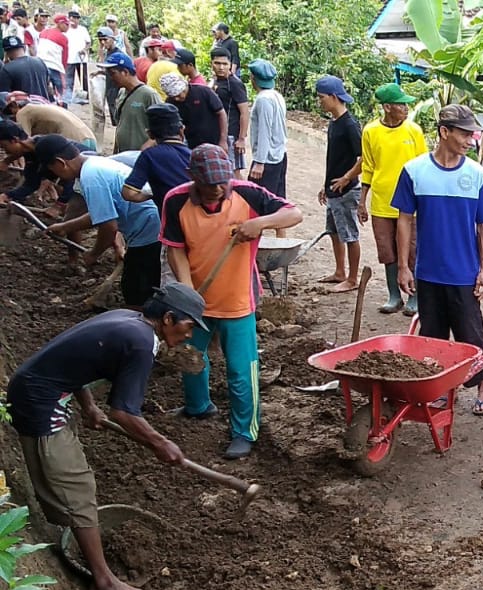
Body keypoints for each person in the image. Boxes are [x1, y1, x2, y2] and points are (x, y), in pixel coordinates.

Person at [6, 283, 204, 590]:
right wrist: (160, 443)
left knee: (71, 478)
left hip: (37, 389)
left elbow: (76, 360)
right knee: (78, 486)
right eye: (189, 326)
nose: (189, 336)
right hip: (38, 401)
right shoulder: (142, 344)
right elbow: (124, 412)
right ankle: (104, 581)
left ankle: (80, 539)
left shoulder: (128, 319)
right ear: (169, 318)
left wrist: (87, 406)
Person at [162, 143, 302, 459]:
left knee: (241, 369)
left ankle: (244, 431)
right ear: (192, 177)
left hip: (238, 299)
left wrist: (259, 224)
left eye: (221, 182)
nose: (216, 189)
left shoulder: (246, 193)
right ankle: (197, 407)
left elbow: (295, 213)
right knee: (191, 357)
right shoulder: (176, 201)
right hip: (197, 299)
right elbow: (176, 249)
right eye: (209, 184)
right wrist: (187, 293)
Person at [392, 104, 483, 415]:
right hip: (427, 273)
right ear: (444, 132)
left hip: (464, 274)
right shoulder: (415, 171)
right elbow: (403, 220)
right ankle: (438, 387)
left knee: (471, 335)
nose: (470, 139)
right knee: (432, 337)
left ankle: (482, 385)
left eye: (472, 133)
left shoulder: (476, 175)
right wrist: (402, 267)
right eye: (465, 133)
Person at [34, 135, 162, 307]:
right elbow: (102, 213)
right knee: (138, 285)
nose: (56, 176)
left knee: (137, 293)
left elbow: (109, 226)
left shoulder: (91, 177)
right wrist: (66, 226)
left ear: (60, 163)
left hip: (149, 231)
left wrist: (94, 254)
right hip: (151, 225)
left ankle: (146, 328)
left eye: (52, 170)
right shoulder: (94, 164)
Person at [360, 82, 425, 315]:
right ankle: (394, 295)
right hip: (382, 201)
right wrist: (362, 200)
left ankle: (414, 296)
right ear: (387, 107)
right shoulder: (370, 131)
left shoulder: (413, 131)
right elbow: (368, 167)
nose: (406, 108)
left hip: (410, 203)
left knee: (412, 250)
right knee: (387, 250)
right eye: (401, 105)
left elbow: (424, 165)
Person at [315, 75, 362, 293]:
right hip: (333, 190)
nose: (319, 102)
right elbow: (333, 158)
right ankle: (340, 271)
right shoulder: (334, 123)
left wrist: (346, 177)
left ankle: (353, 278)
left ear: (334, 97)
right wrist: (325, 184)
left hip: (346, 190)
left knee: (349, 234)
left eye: (321, 97)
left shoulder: (350, 125)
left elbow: (363, 158)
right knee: (334, 231)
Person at [122, 103, 191, 211]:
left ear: (149, 134)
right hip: (199, 219)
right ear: (181, 130)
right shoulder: (195, 155)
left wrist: (153, 194)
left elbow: (129, 193)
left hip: (170, 221)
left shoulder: (149, 156)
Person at [246, 59, 286, 208]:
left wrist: (259, 162)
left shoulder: (263, 100)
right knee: (278, 201)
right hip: (279, 155)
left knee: (255, 203)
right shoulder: (277, 96)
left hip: (268, 159)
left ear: (253, 78)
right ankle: (281, 232)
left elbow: (264, 130)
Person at [102, 51, 161, 153]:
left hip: (140, 156)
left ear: (125, 72)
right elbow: (121, 124)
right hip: (123, 154)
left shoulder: (149, 95)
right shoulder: (122, 92)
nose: (111, 78)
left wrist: (146, 148)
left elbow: (163, 129)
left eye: (113, 73)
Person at [159, 73, 225, 150]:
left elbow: (221, 113)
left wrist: (223, 140)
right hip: (191, 143)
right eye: (173, 97)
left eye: (178, 95)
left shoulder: (203, 91)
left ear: (184, 88)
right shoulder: (170, 102)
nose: (176, 99)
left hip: (214, 140)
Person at [210, 47, 247, 179]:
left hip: (231, 136)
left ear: (230, 65)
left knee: (233, 172)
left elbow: (244, 112)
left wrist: (241, 139)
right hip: (218, 134)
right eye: (217, 63)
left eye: (225, 64)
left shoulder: (235, 84)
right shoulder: (215, 82)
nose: (221, 67)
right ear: (211, 64)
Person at [7, 91, 94, 147]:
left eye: (11, 112)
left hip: (75, 141)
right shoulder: (41, 107)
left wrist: (7, 160)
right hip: (89, 137)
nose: (13, 116)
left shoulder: (23, 112)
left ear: (15, 105)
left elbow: (24, 142)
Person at [0, 34, 50, 100]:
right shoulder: (40, 61)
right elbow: (49, 86)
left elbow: (4, 98)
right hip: (44, 107)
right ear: (24, 47)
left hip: (25, 109)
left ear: (6, 52)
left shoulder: (7, 69)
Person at [35, 13, 67, 105]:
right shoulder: (62, 37)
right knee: (60, 89)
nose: (68, 27)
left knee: (43, 87)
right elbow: (64, 57)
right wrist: (63, 70)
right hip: (54, 66)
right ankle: (60, 104)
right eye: (66, 24)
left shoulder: (43, 33)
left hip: (40, 64)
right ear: (60, 23)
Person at [63, 10, 88, 99]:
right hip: (70, 58)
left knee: (84, 78)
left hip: (81, 58)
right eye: (73, 18)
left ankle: (85, 96)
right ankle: (68, 96)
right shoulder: (66, 30)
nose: (75, 20)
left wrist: (84, 49)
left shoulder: (83, 29)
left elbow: (88, 42)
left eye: (77, 18)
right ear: (69, 19)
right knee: (69, 78)